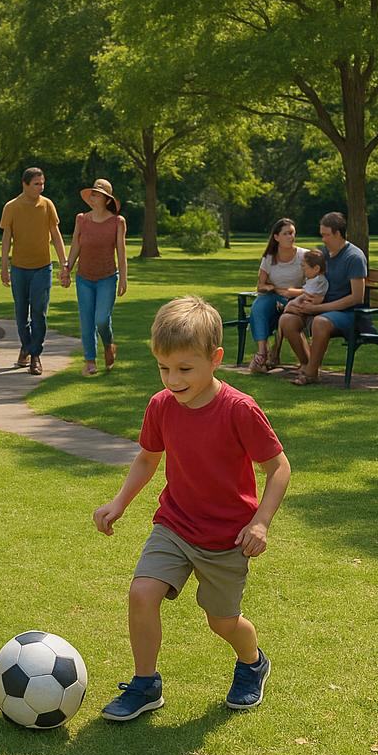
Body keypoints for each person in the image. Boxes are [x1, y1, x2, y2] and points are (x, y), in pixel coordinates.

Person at [93, 296, 291, 720]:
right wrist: (119, 502)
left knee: (221, 622)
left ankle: (252, 662)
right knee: (141, 594)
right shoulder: (161, 405)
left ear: (215, 358)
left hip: (226, 537)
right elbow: (148, 458)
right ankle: (145, 685)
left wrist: (261, 523)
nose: (172, 380)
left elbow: (278, 467)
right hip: (175, 525)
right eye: (164, 368)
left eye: (185, 369)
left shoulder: (239, 409)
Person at [280, 211, 367, 386]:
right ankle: (307, 364)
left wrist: (317, 309)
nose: (323, 239)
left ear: (338, 234)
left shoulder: (354, 257)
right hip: (321, 309)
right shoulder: (323, 254)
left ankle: (311, 373)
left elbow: (357, 298)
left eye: (326, 235)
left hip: (347, 314)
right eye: (322, 235)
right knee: (287, 320)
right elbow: (313, 283)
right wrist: (303, 303)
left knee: (320, 322)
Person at [0, 167, 68, 376]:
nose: (41, 187)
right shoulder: (12, 207)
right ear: (25, 184)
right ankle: (26, 346)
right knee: (21, 314)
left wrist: (64, 263)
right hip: (19, 268)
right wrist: (4, 267)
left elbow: (56, 235)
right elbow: (6, 240)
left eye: (42, 183)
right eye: (37, 184)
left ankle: (35, 355)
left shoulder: (47, 205)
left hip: (42, 268)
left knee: (39, 311)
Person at [62, 179, 128, 376]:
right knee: (87, 320)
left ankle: (108, 345)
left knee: (101, 319)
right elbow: (75, 245)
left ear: (106, 199)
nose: (92, 197)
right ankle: (90, 361)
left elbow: (122, 253)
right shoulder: (82, 219)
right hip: (84, 278)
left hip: (107, 277)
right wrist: (67, 268)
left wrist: (123, 278)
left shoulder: (117, 222)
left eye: (96, 194)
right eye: (92, 194)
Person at [248, 218, 305, 373]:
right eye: (286, 233)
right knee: (258, 307)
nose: (290, 237)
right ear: (276, 237)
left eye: (292, 233)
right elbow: (260, 285)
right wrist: (272, 288)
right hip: (275, 296)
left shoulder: (304, 256)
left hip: (298, 298)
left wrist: (291, 292)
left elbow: (314, 287)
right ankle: (262, 353)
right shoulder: (269, 258)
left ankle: (277, 356)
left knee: (287, 313)